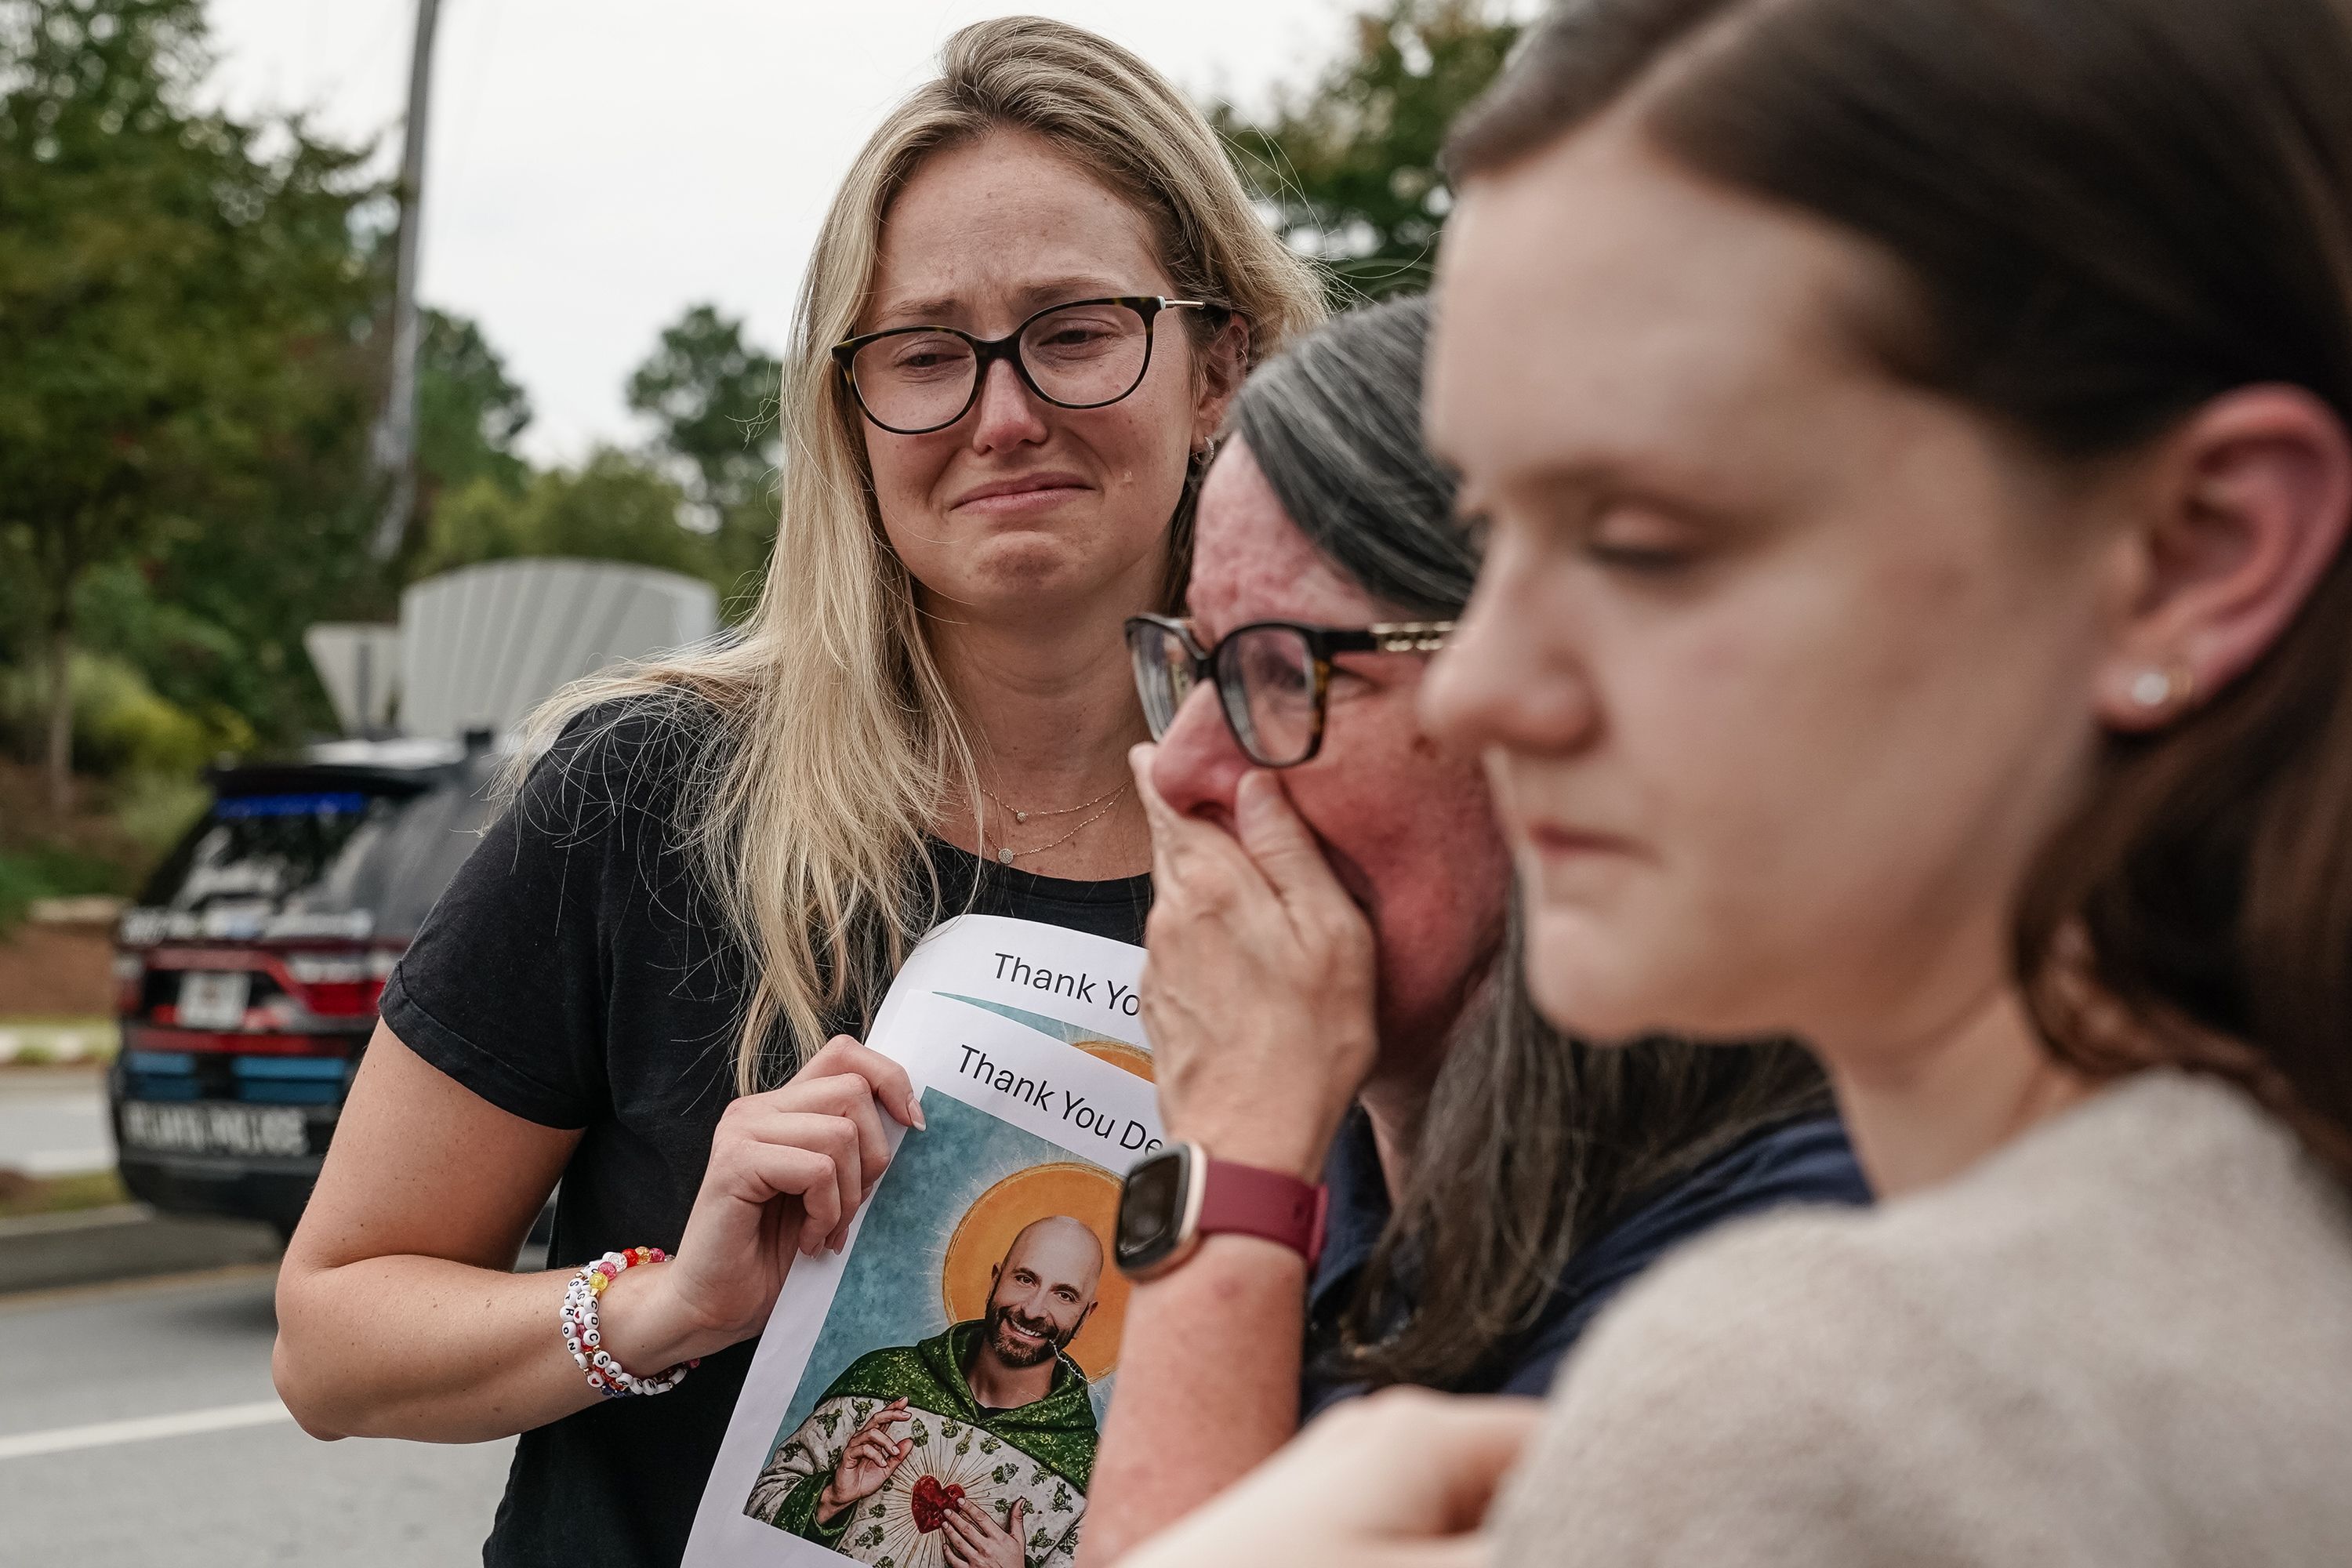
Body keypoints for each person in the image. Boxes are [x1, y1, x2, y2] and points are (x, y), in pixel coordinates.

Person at [1125, 0, 2352, 1563]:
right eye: (1505, 533)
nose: (1493, 684)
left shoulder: (1834, 1398)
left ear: (2194, 556)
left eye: (1643, 539)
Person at [267, 17, 1323, 1566]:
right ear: (847, 412)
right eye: (925, 354)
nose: (1002, 410)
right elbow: (331, 1338)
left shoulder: (1325, 835)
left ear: (1217, 362)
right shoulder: (649, 801)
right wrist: (665, 1305)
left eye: (1076, 328)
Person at [1077, 296, 1867, 1563]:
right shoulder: (1345, 1156)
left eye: (1285, 673)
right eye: (1198, 663)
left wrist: (1228, 1165)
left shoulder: (1779, 1282)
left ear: (1543, 702)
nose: (1178, 770)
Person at [746, 1217, 1105, 1568]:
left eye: (1064, 1295)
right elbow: (752, 1509)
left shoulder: (1094, 1472)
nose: (1033, 1309)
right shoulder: (881, 1378)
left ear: (1086, 1316)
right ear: (996, 1279)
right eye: (1025, 1279)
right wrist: (829, 1499)